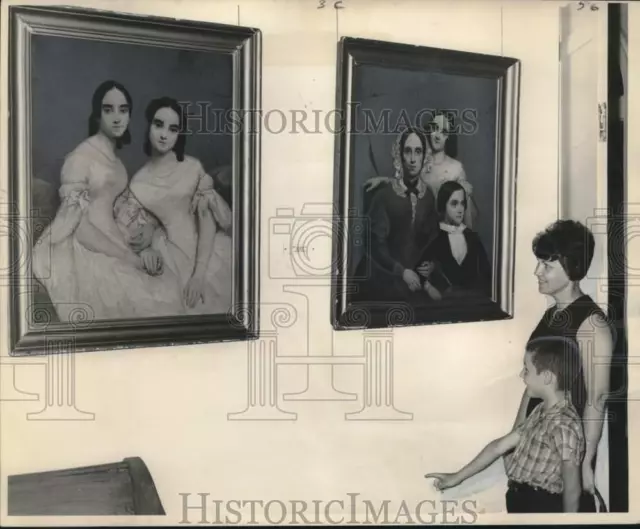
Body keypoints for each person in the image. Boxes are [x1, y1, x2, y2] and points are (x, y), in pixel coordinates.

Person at [32, 81, 182, 322]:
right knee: (151, 299)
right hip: (88, 246)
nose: (116, 117)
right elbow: (78, 226)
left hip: (116, 240)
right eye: (108, 109)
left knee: (170, 285)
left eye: (123, 110)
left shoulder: (117, 163)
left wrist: (144, 236)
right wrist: (129, 258)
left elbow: (120, 211)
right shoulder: (80, 158)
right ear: (97, 113)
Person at [505, 220, 615, 511]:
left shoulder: (592, 325)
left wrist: (585, 463)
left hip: (559, 461)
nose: (537, 272)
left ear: (573, 268)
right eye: (539, 263)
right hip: (533, 453)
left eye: (546, 265)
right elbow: (533, 387)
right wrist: (514, 440)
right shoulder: (552, 314)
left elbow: (596, 399)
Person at [426, 336, 585, 513]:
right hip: (520, 500)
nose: (521, 375)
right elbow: (499, 447)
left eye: (527, 370)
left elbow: (572, 489)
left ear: (547, 377)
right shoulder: (541, 411)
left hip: (541, 504)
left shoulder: (564, 425)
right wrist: (457, 477)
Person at [114, 96, 232, 315]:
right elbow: (136, 230)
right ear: (149, 125)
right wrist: (146, 248)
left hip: (207, 252)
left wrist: (199, 275)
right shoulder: (139, 182)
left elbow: (207, 222)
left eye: (173, 128)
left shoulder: (191, 167)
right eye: (158, 124)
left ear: (179, 134)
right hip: (170, 258)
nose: (164, 134)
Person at [356, 127, 439, 302]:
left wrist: (432, 264)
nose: (412, 159)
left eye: (418, 152)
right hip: (386, 277)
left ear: (424, 156)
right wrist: (402, 272)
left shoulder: (428, 196)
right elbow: (374, 245)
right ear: (399, 155)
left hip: (416, 280)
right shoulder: (384, 196)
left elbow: (433, 239)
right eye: (407, 151)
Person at [363, 111, 478, 229]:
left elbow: (464, 210)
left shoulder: (456, 168)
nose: (437, 136)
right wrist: (384, 180)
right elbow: (405, 185)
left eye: (443, 132)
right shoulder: (420, 160)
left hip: (444, 231)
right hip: (418, 228)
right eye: (435, 128)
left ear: (448, 136)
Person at [415, 181, 491, 299]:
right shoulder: (433, 236)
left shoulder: (472, 238)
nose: (460, 210)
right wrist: (428, 287)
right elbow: (418, 272)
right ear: (443, 206)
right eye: (454, 204)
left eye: (462, 204)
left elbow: (486, 275)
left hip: (473, 303)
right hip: (443, 305)